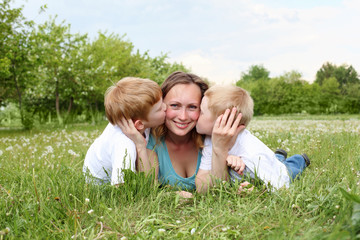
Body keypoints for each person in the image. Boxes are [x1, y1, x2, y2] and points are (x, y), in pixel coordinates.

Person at [121, 71, 243, 191]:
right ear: (161, 105)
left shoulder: (211, 139)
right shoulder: (151, 140)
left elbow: (218, 190)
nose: (183, 117)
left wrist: (220, 149)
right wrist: (140, 147)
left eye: (192, 107)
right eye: (174, 105)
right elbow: (146, 191)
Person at [195, 85, 310, 192]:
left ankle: (300, 159)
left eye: (202, 112)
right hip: (265, 162)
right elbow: (205, 184)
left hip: (275, 169)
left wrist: (258, 190)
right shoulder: (210, 139)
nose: (196, 114)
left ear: (224, 123)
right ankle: (279, 156)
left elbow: (281, 186)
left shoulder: (252, 154)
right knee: (275, 158)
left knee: (289, 168)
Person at [83, 77, 166, 185]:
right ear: (139, 124)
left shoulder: (136, 119)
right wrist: (140, 145)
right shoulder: (124, 145)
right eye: (159, 109)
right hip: (99, 185)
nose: (165, 107)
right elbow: (120, 187)